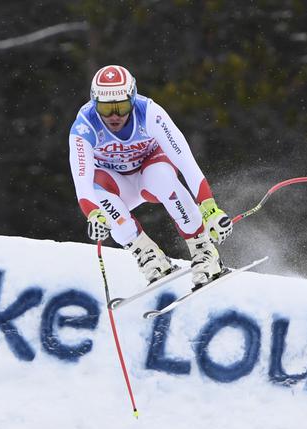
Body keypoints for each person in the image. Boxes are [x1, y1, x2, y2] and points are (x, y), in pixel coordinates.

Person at [68, 64, 233, 287]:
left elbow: (186, 163)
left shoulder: (149, 113)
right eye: (106, 109)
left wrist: (210, 208)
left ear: (133, 99)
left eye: (122, 106)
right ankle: (149, 256)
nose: (115, 116)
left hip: (150, 173)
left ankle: (204, 250)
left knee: (162, 177)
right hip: (117, 184)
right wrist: (94, 214)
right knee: (99, 198)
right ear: (94, 103)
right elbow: (82, 183)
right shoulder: (84, 126)